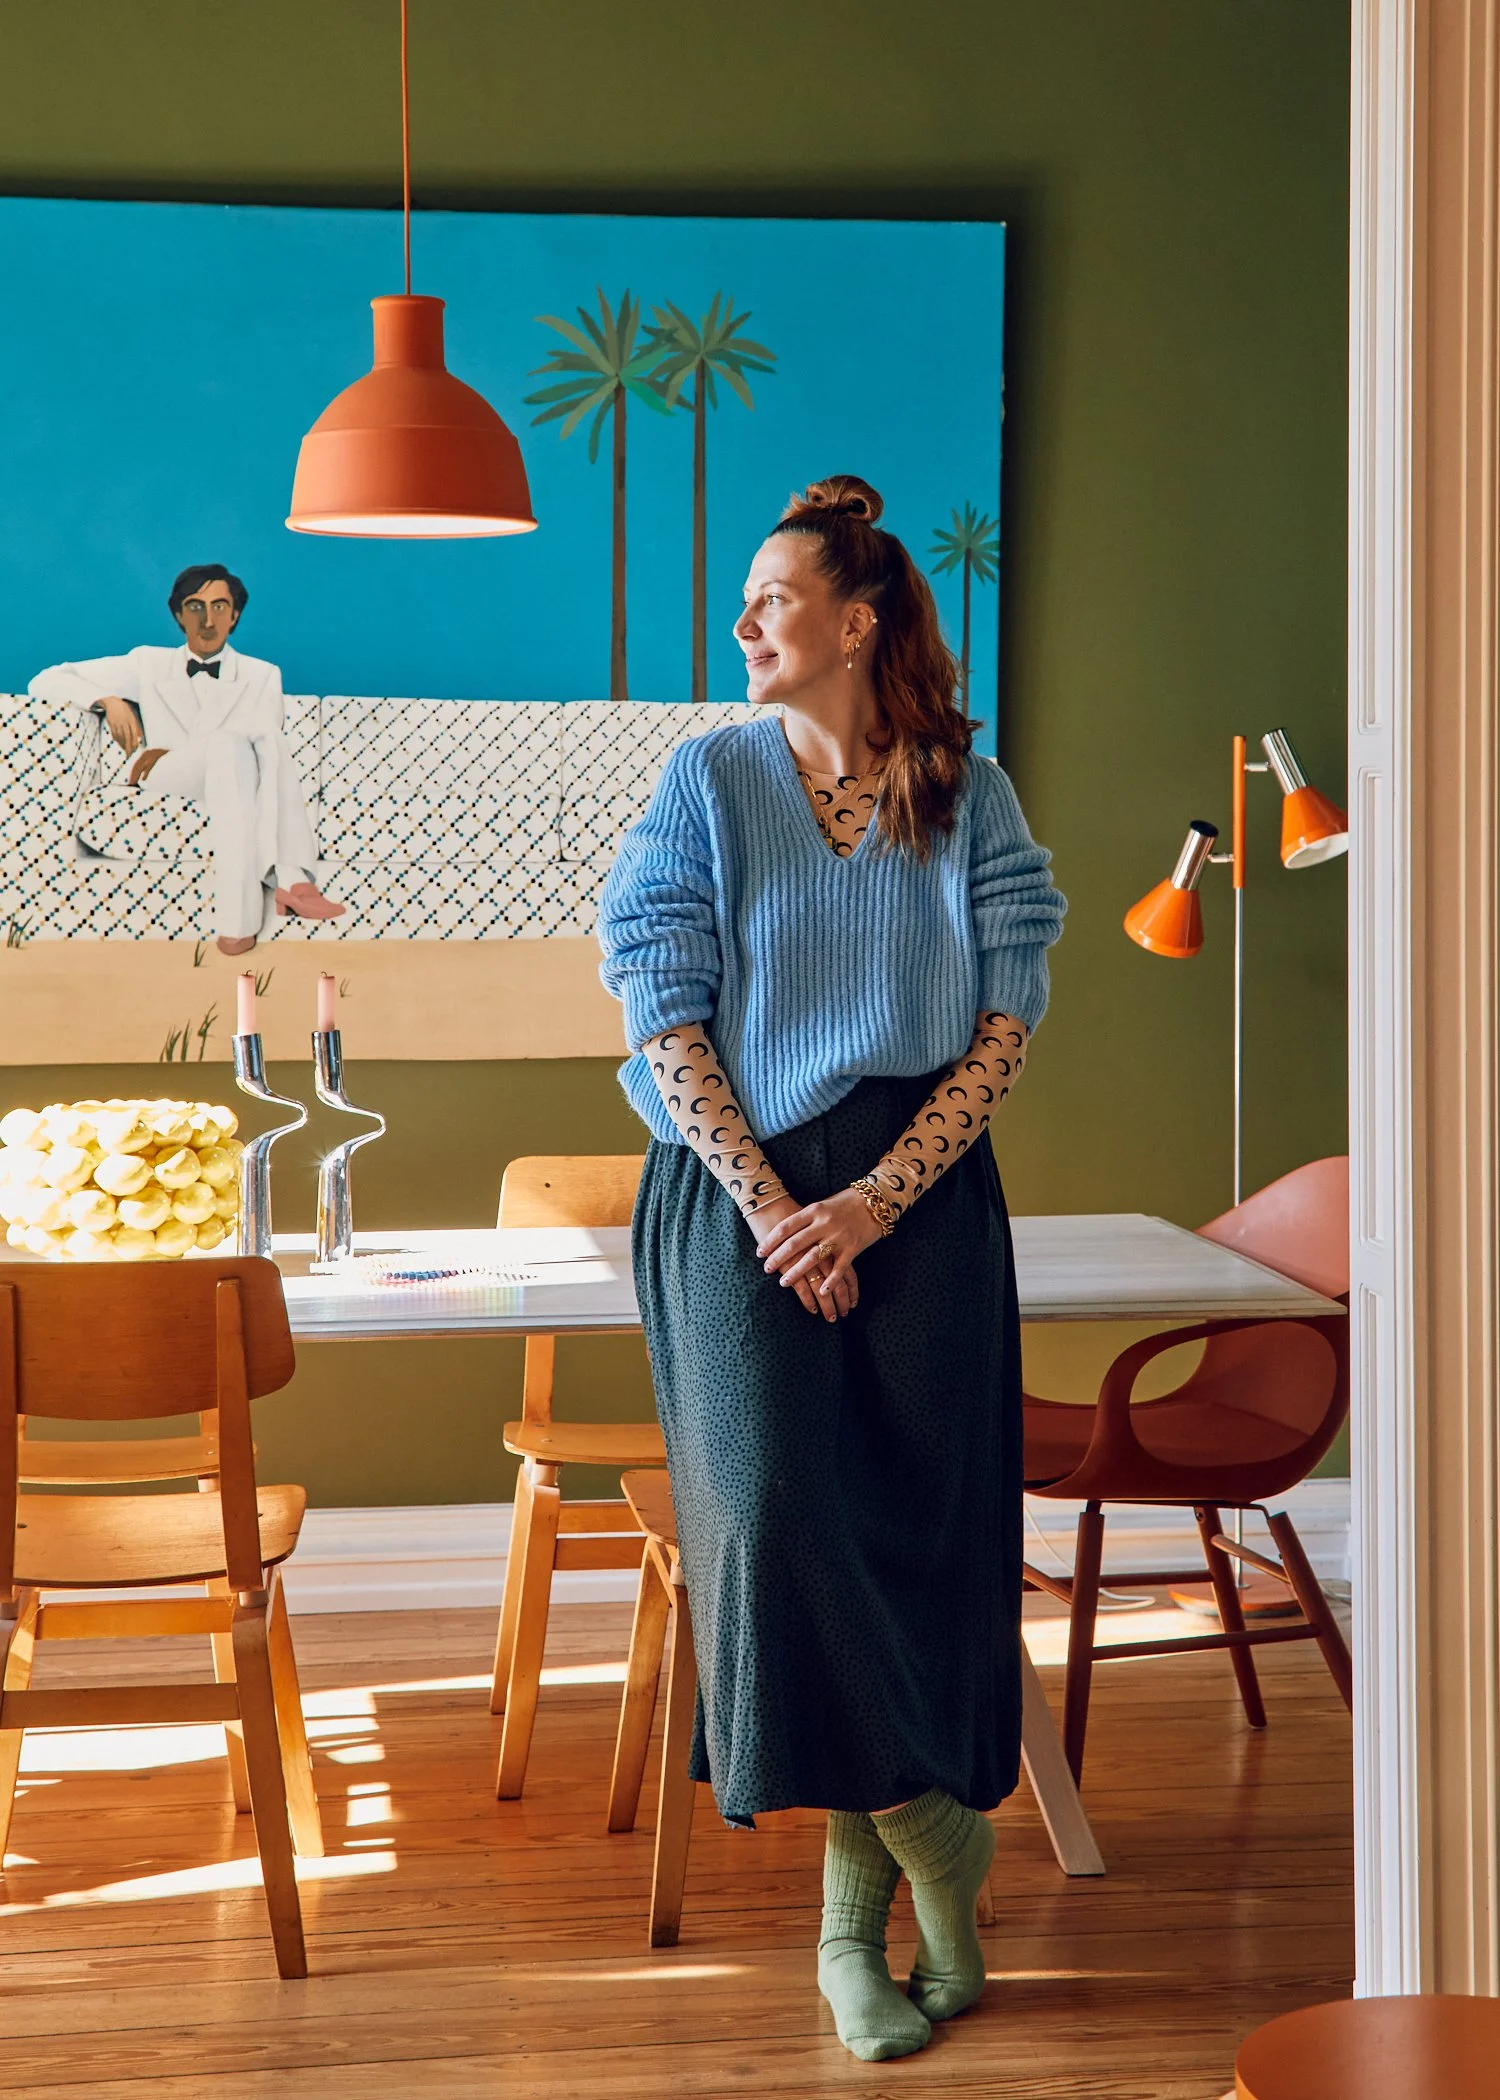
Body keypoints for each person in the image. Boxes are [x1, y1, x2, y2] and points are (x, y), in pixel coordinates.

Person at [597, 475, 1066, 2063]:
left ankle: (846, 1938)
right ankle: (947, 1841)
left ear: (855, 624)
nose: (741, 627)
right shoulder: (706, 781)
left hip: (920, 1203)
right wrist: (777, 1204)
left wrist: (868, 1203)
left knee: (912, 1545)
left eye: (770, 600)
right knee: (782, 1514)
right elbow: (662, 1014)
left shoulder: (967, 797)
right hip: (732, 1195)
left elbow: (1005, 1028)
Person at [28, 564, 344, 956]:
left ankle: (240, 924)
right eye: (195, 607)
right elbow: (45, 679)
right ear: (178, 614)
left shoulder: (263, 674)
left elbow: (261, 756)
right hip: (168, 773)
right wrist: (106, 700)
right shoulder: (148, 663)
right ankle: (293, 879)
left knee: (241, 747)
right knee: (249, 742)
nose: (207, 620)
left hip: (234, 771)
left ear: (236, 614)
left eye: (219, 606)